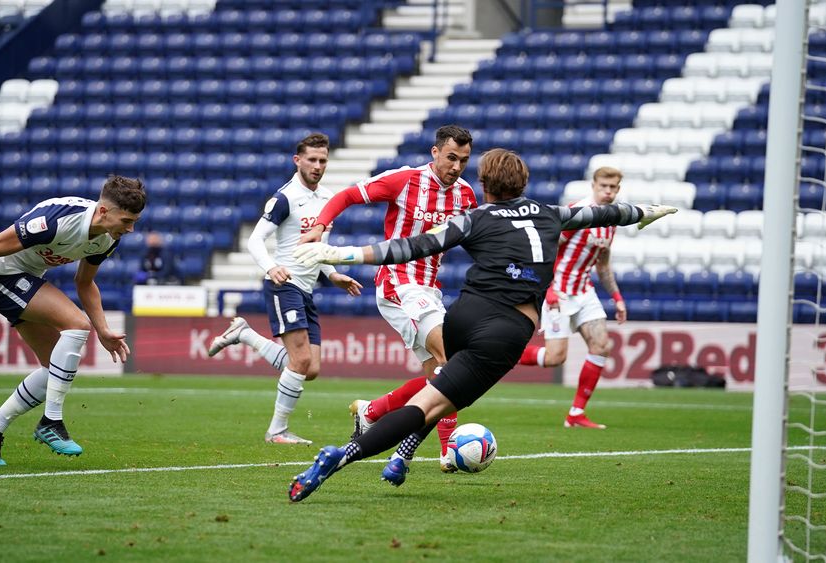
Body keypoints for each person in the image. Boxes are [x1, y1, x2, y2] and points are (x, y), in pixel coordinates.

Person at [285, 148, 676, 502]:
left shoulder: (475, 217)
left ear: (485, 185)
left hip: (463, 314)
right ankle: (343, 456)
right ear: (523, 183)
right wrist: (644, 212)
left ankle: (399, 453)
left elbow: (413, 246)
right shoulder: (551, 214)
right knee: (432, 403)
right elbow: (606, 213)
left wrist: (343, 253)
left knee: (440, 382)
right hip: (506, 331)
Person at [0, 175, 146, 465]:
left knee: (54, 369)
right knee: (77, 325)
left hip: (26, 279)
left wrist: (104, 330)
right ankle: (51, 422)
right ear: (103, 211)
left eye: (134, 221)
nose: (131, 229)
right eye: (126, 221)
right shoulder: (55, 220)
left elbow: (85, 283)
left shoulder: (107, 239)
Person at [297, 124, 478, 472]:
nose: (456, 167)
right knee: (453, 361)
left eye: (464, 161)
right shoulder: (405, 180)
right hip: (398, 284)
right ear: (435, 152)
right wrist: (320, 226)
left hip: (429, 290)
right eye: (451, 158)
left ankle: (374, 411)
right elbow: (347, 196)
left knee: (438, 378)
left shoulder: (466, 195)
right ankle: (444, 450)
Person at [206, 133, 362, 445]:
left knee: (311, 368)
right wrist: (271, 267)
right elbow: (254, 240)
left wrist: (332, 274)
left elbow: (319, 247)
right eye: (312, 160)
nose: (317, 166)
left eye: (322, 161)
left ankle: (244, 334)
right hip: (283, 284)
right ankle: (277, 431)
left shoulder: (327, 199)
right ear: (298, 160)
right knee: (301, 362)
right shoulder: (285, 198)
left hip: (306, 289)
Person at [516, 166, 627, 429]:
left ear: (618, 189)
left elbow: (603, 264)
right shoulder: (579, 213)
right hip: (560, 290)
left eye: (613, 187)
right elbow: (550, 248)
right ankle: (504, 355)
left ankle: (576, 413)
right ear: (594, 185)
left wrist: (617, 297)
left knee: (601, 345)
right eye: (604, 186)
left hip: (584, 290)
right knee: (555, 358)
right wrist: (551, 286)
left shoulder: (612, 220)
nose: (608, 191)